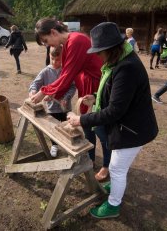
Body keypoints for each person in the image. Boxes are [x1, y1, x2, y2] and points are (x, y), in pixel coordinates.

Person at [67, 22, 158, 218]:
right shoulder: (119, 62)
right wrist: (94, 95)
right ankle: (115, 185)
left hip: (133, 129)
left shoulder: (127, 68)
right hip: (127, 125)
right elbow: (114, 93)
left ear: (111, 49)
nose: (97, 56)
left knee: (116, 168)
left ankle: (113, 205)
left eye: (99, 51)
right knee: (118, 167)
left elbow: (115, 110)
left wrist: (81, 120)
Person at [32, 17, 104, 174]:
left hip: (97, 87)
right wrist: (53, 93)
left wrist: (44, 91)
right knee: (87, 126)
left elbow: (66, 76)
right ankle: (90, 159)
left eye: (46, 40)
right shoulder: (68, 43)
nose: (47, 45)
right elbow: (66, 74)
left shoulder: (76, 40)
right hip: (86, 85)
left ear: (53, 32)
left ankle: (106, 166)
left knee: (101, 128)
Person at [29, 46, 76, 157]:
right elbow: (34, 84)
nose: (55, 62)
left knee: (67, 127)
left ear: (63, 57)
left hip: (65, 107)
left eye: (58, 59)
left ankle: (68, 146)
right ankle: (54, 145)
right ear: (49, 56)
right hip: (51, 109)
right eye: (52, 58)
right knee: (53, 128)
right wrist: (33, 91)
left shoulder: (66, 71)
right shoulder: (45, 71)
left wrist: (66, 98)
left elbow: (73, 87)